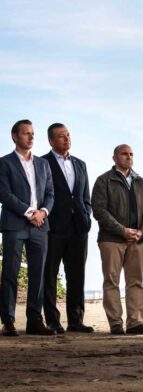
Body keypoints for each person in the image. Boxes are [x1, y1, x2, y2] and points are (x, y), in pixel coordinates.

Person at [92, 144, 143, 335]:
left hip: (137, 240)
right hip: (111, 239)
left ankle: (135, 323)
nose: (128, 157)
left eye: (131, 154)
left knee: (136, 281)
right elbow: (99, 210)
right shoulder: (104, 180)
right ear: (114, 158)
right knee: (111, 281)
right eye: (124, 154)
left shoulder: (141, 182)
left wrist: (142, 232)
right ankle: (116, 324)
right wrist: (122, 231)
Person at [0, 119, 55, 336]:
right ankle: (9, 321)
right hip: (15, 224)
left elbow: (50, 194)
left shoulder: (43, 164)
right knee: (11, 272)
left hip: (40, 226)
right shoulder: (4, 163)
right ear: (14, 136)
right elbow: (4, 194)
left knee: (38, 274)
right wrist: (29, 212)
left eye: (33, 133)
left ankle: (34, 321)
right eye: (26, 133)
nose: (31, 137)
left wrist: (42, 212)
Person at [42, 123, 94, 334]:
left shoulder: (80, 164)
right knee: (49, 276)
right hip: (54, 228)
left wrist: (87, 215)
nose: (66, 139)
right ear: (51, 141)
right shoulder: (42, 163)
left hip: (79, 228)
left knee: (77, 275)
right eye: (61, 136)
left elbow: (85, 196)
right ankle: (53, 321)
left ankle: (76, 321)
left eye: (68, 135)